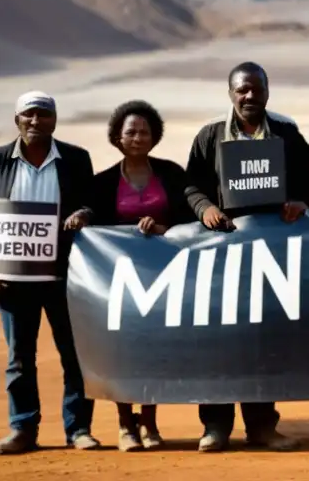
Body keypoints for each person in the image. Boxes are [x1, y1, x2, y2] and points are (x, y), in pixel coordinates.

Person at [184, 62, 309, 453]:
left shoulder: (287, 133)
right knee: (219, 342)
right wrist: (204, 206)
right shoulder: (209, 136)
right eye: (242, 90)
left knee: (262, 341)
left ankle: (262, 427)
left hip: (271, 256)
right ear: (230, 93)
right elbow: (190, 185)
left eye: (256, 89)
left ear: (267, 91)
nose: (250, 96)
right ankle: (216, 426)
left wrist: (300, 201)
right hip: (222, 257)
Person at [0, 91, 100, 454]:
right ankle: (23, 429)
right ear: (17, 121)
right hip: (12, 283)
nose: (36, 121)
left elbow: (93, 204)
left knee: (74, 356)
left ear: (55, 120)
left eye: (43, 115)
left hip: (65, 281)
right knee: (20, 358)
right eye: (29, 115)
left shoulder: (75, 159)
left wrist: (85, 212)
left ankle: (79, 429)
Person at [90, 100, 195, 452]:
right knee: (122, 349)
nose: (138, 137)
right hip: (116, 279)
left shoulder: (172, 174)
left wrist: (165, 228)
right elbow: (92, 221)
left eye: (145, 131)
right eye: (130, 131)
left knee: (153, 348)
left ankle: (149, 422)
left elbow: (189, 220)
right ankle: (125, 425)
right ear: (117, 137)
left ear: (155, 137)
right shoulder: (102, 182)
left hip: (162, 276)